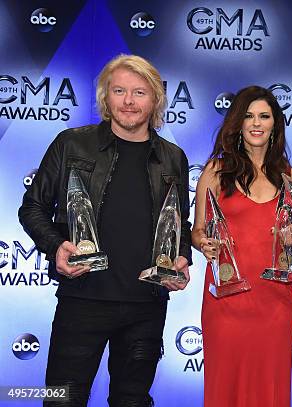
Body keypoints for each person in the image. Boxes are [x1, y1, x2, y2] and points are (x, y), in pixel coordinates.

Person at [18, 54, 191, 407]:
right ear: (105, 97)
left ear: (156, 99)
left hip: (146, 305)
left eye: (139, 92)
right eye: (119, 90)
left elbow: (180, 224)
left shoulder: (173, 157)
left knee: (132, 400)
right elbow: (32, 207)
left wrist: (182, 257)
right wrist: (56, 247)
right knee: (61, 399)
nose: (128, 101)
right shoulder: (71, 144)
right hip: (82, 298)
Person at [192, 86, 292, 407]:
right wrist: (204, 244)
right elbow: (197, 231)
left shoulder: (290, 177)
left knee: (270, 388)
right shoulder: (214, 172)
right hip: (226, 301)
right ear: (237, 123)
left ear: (275, 124)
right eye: (248, 116)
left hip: (276, 302)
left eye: (264, 116)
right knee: (225, 387)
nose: (256, 123)